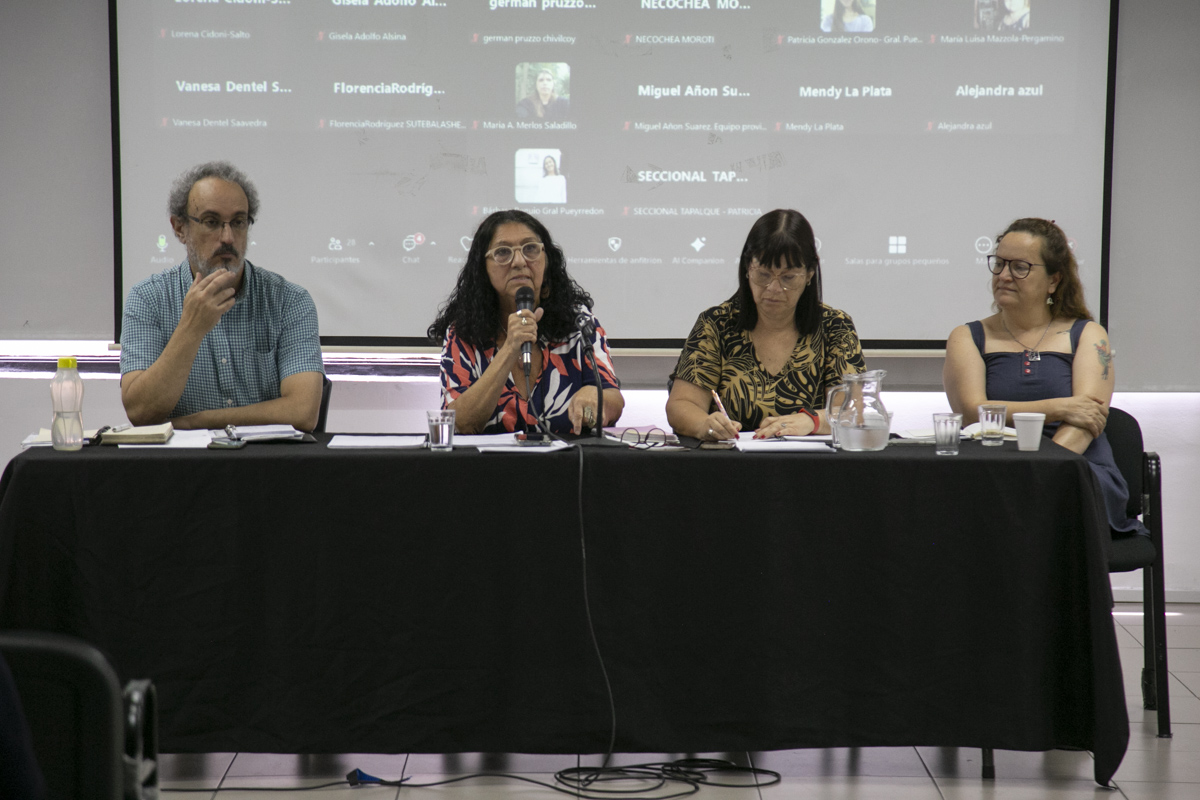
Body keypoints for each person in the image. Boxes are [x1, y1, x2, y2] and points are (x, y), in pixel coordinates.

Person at [943, 218, 1145, 535]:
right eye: (999, 264)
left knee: (1042, 502)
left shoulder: (1088, 334)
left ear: (1053, 280)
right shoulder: (967, 336)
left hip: (1075, 469)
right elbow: (972, 413)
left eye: (1020, 267)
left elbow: (1086, 420)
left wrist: (1037, 471)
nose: (1004, 275)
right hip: (993, 468)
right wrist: (1058, 407)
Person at [120, 161, 324, 431]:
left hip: (268, 457)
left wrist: (199, 421)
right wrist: (191, 328)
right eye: (211, 222)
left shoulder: (289, 301)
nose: (228, 237)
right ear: (180, 228)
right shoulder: (148, 299)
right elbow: (140, 412)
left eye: (238, 222)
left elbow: (302, 412)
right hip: (181, 458)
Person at [666, 209, 865, 442]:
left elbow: (853, 411)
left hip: (812, 461)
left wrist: (812, 421)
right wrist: (704, 424)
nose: (774, 288)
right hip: (732, 459)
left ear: (809, 274)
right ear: (747, 268)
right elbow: (681, 405)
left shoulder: (835, 327)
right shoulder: (717, 324)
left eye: (788, 277)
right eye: (763, 275)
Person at [429, 209, 623, 435]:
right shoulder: (463, 333)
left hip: (570, 458)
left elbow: (613, 401)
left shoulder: (578, 323)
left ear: (547, 261)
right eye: (503, 252)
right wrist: (510, 347)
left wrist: (596, 402)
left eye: (530, 249)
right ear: (483, 270)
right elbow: (459, 423)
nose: (519, 261)